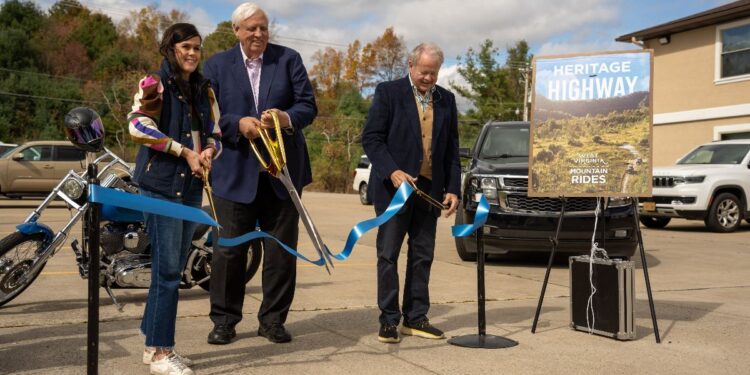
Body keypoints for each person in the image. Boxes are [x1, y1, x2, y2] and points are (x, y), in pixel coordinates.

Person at [202, 2, 317, 345]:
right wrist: (237, 123)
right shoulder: (217, 65)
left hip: (282, 174)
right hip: (234, 173)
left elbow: (307, 106)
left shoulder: (288, 59)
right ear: (236, 30)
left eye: (263, 27)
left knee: (281, 253)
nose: (258, 34)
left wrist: (283, 118)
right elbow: (208, 116)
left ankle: (272, 321)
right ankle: (224, 321)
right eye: (251, 28)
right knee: (229, 252)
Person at [128, 23, 222, 375]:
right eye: (186, 46)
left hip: (192, 186)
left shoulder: (204, 89)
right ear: (171, 47)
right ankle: (162, 353)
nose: (193, 53)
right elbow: (137, 126)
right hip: (160, 187)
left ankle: (152, 342)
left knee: (172, 271)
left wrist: (210, 151)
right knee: (167, 273)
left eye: (198, 47)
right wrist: (183, 151)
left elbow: (216, 133)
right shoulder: (154, 83)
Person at [361, 42, 460, 343]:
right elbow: (372, 139)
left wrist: (454, 188)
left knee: (422, 256)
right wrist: (392, 171)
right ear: (411, 66)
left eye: (433, 73)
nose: (428, 78)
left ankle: (416, 318)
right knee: (388, 255)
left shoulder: (447, 100)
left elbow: (451, 151)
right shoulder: (388, 93)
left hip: (430, 191)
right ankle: (389, 320)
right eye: (423, 72)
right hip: (394, 191)